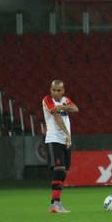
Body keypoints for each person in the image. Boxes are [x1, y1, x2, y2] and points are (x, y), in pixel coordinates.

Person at [42, 79, 79, 213]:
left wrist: (63, 107)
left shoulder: (64, 100)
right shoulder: (47, 100)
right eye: (53, 90)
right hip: (54, 139)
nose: (55, 93)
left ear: (63, 91)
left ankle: (57, 203)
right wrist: (67, 134)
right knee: (59, 170)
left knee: (64, 172)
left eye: (58, 90)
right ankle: (55, 204)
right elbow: (57, 119)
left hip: (65, 141)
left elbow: (75, 108)